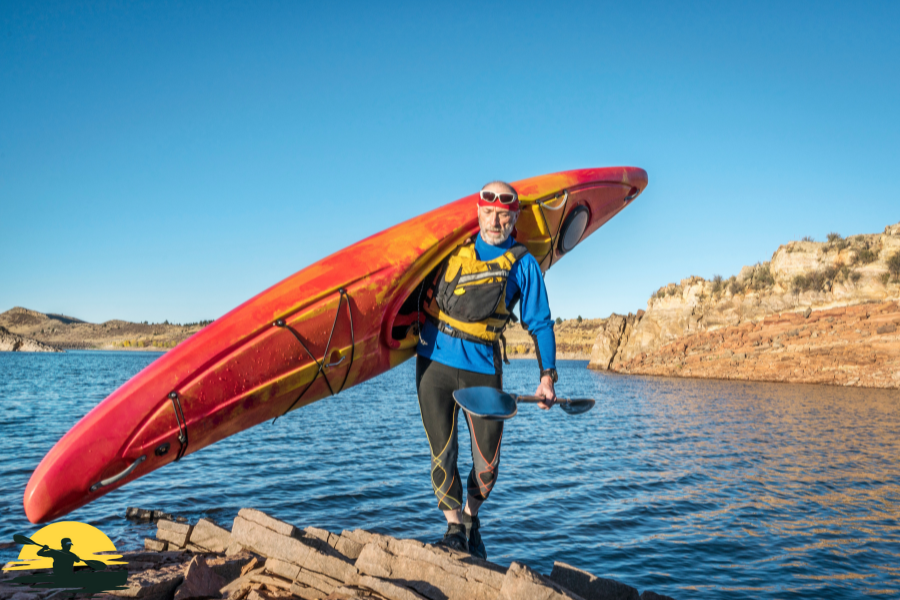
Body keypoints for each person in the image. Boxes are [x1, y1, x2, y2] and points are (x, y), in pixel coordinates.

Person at [416, 180, 558, 559]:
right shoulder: (448, 250)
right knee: (441, 455)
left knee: (487, 467)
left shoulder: (524, 264)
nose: (496, 221)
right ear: (478, 212)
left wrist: (547, 377)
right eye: (489, 212)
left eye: (504, 215)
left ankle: (469, 519)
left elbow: (540, 322)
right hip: (434, 364)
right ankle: (452, 530)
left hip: (482, 368)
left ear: (514, 218)